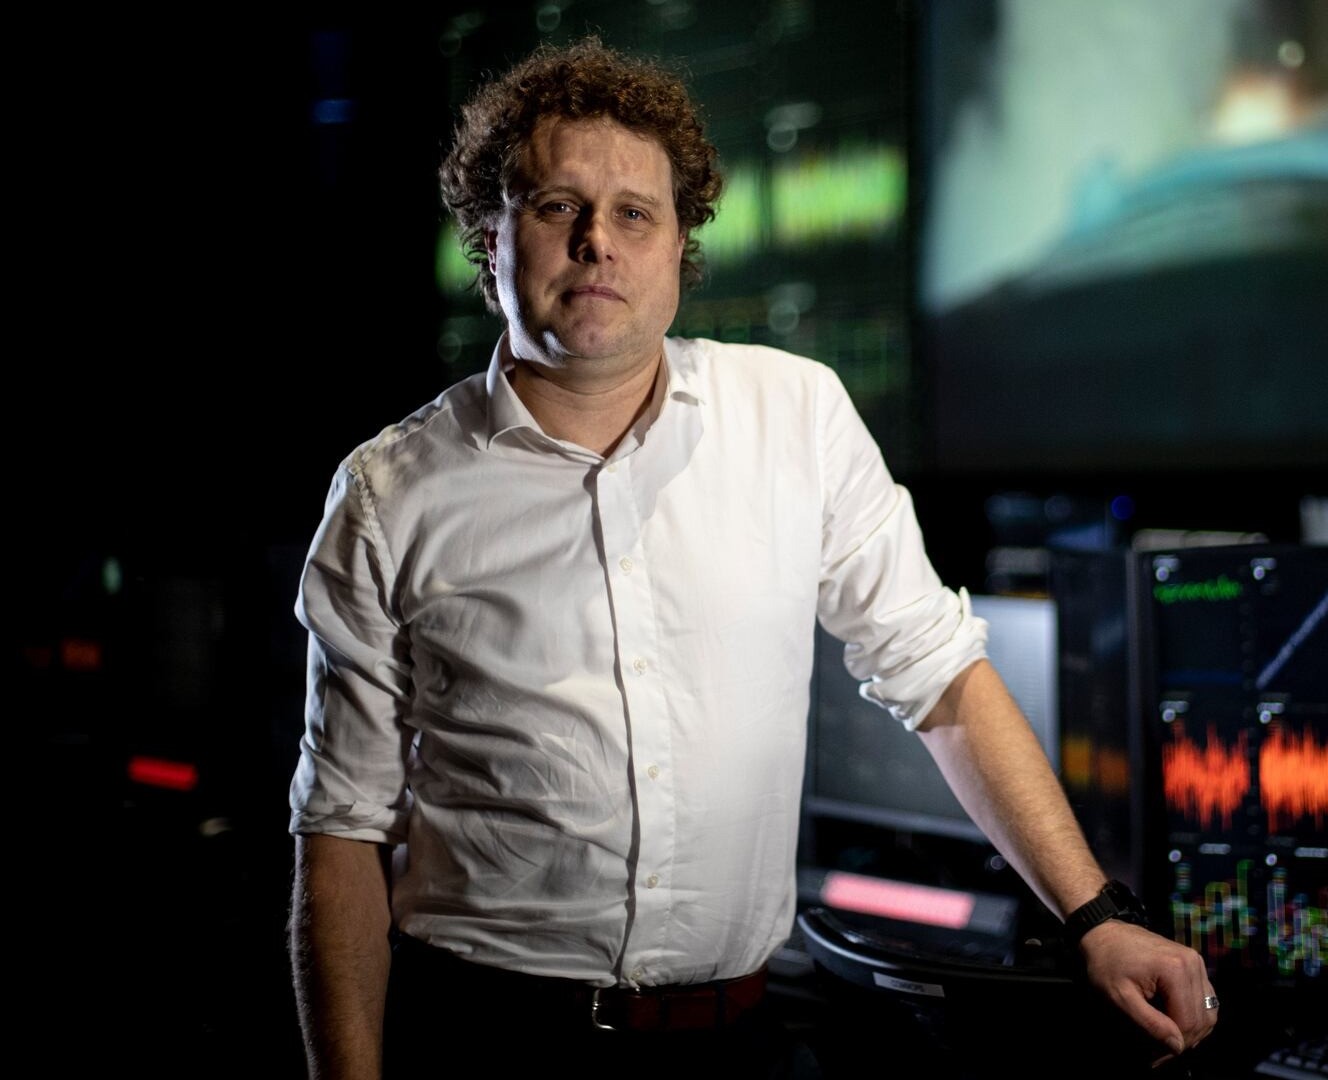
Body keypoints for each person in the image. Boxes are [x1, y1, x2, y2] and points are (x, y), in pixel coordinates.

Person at [287, 36, 1218, 1078]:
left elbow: (941, 677)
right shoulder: (391, 492)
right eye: (557, 206)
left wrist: (1096, 916)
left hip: (735, 1043)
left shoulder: (796, 414)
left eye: (635, 213)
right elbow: (341, 830)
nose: (597, 243)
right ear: (490, 235)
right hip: (485, 1038)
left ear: (680, 245)